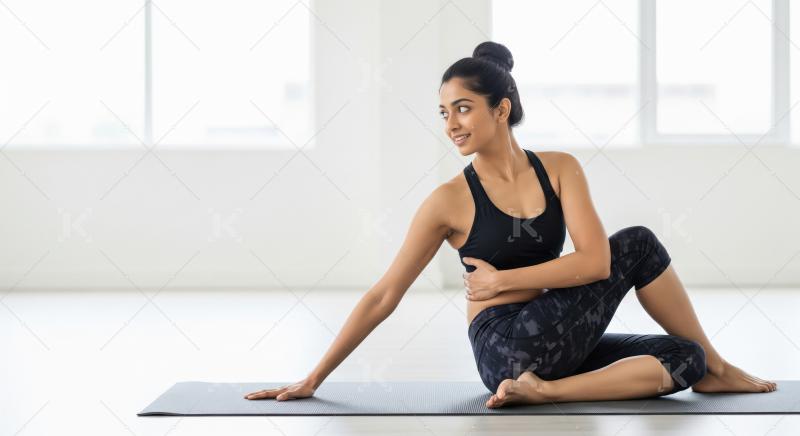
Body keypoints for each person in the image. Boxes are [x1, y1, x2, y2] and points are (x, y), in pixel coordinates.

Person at [244, 41, 777, 408]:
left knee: (684, 355)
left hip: (559, 339)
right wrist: (313, 378)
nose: (451, 124)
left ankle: (549, 392)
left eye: (463, 109)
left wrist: (502, 281)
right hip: (506, 346)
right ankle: (717, 371)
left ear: (502, 109)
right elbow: (386, 295)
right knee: (638, 243)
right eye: (443, 113)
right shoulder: (447, 201)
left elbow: (595, 264)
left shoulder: (561, 168)